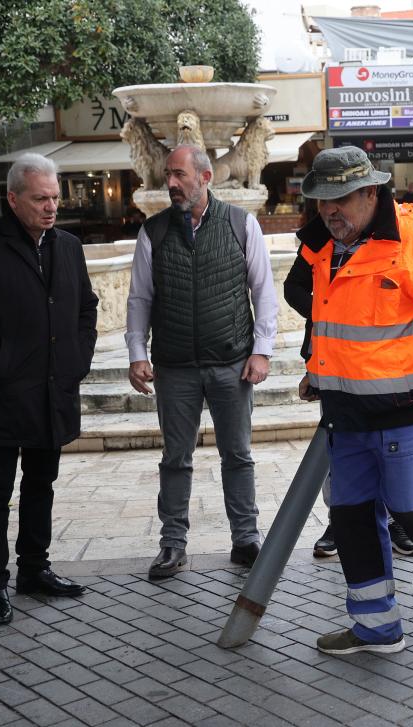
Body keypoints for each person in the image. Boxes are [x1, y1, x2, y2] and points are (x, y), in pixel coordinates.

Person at [293, 146, 413, 654]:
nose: (329, 211)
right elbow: (330, 317)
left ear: (369, 192)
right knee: (352, 519)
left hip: (403, 411)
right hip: (344, 414)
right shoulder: (321, 245)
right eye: (321, 202)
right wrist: (318, 369)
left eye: (339, 199)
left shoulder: (411, 241)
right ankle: (376, 628)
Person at [0, 153, 99, 625]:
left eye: (55, 197)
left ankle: (34, 569)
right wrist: (0, 365)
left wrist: (77, 359)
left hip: (53, 393)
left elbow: (86, 310)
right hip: (1, 395)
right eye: (40, 199)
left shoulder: (68, 247)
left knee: (41, 486)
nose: (51, 207)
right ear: (12, 199)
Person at [126, 144, 278, 578]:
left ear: (206, 177)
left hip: (232, 362)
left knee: (238, 455)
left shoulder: (240, 223)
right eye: (168, 176)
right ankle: (173, 544)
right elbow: (139, 299)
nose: (171, 183)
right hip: (173, 367)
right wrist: (138, 353)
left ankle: (245, 539)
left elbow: (263, 291)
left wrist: (262, 350)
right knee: (176, 458)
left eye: (179, 175)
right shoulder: (153, 232)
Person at [283, 246, 413, 559]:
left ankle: (394, 518)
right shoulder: (319, 238)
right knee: (338, 445)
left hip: (387, 359)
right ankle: (339, 520)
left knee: (389, 444)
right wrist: (329, 315)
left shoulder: (395, 232)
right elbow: (293, 287)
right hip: (332, 359)